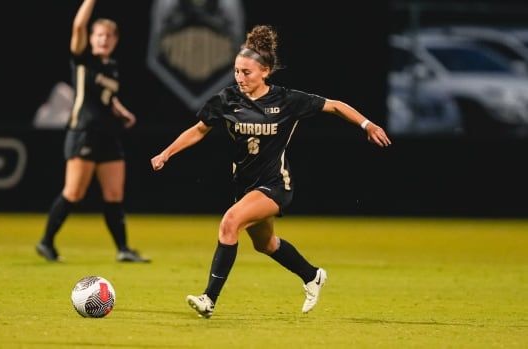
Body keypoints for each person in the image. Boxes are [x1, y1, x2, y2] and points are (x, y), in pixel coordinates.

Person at [151, 25, 391, 318]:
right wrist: (166, 153)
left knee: (229, 222)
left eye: (246, 72)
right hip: (246, 185)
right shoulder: (227, 99)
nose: (240, 77)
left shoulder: (287, 100)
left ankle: (208, 299)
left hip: (276, 184)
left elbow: (335, 106)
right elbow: (199, 130)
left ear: (265, 71)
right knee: (266, 244)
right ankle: (312, 275)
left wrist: (367, 125)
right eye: (237, 71)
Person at [36, 0, 150, 263]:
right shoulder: (83, 59)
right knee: (73, 193)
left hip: (109, 135)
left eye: (109, 36)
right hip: (83, 132)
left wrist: (122, 111)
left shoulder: (112, 66)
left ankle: (123, 249)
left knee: (114, 195)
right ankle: (46, 242)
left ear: (115, 40)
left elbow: (107, 97)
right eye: (99, 35)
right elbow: (78, 25)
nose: (104, 40)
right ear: (91, 38)